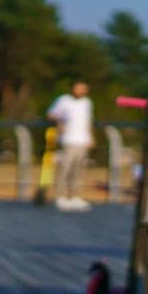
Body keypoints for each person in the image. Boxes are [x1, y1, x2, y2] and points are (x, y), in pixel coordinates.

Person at [47, 81, 95, 211]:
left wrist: (90, 137)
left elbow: (88, 120)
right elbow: (51, 114)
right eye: (78, 88)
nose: (80, 91)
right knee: (65, 169)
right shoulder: (64, 100)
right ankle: (60, 196)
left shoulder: (87, 103)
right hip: (69, 140)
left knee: (78, 171)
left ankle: (75, 196)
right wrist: (60, 123)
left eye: (83, 89)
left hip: (82, 141)